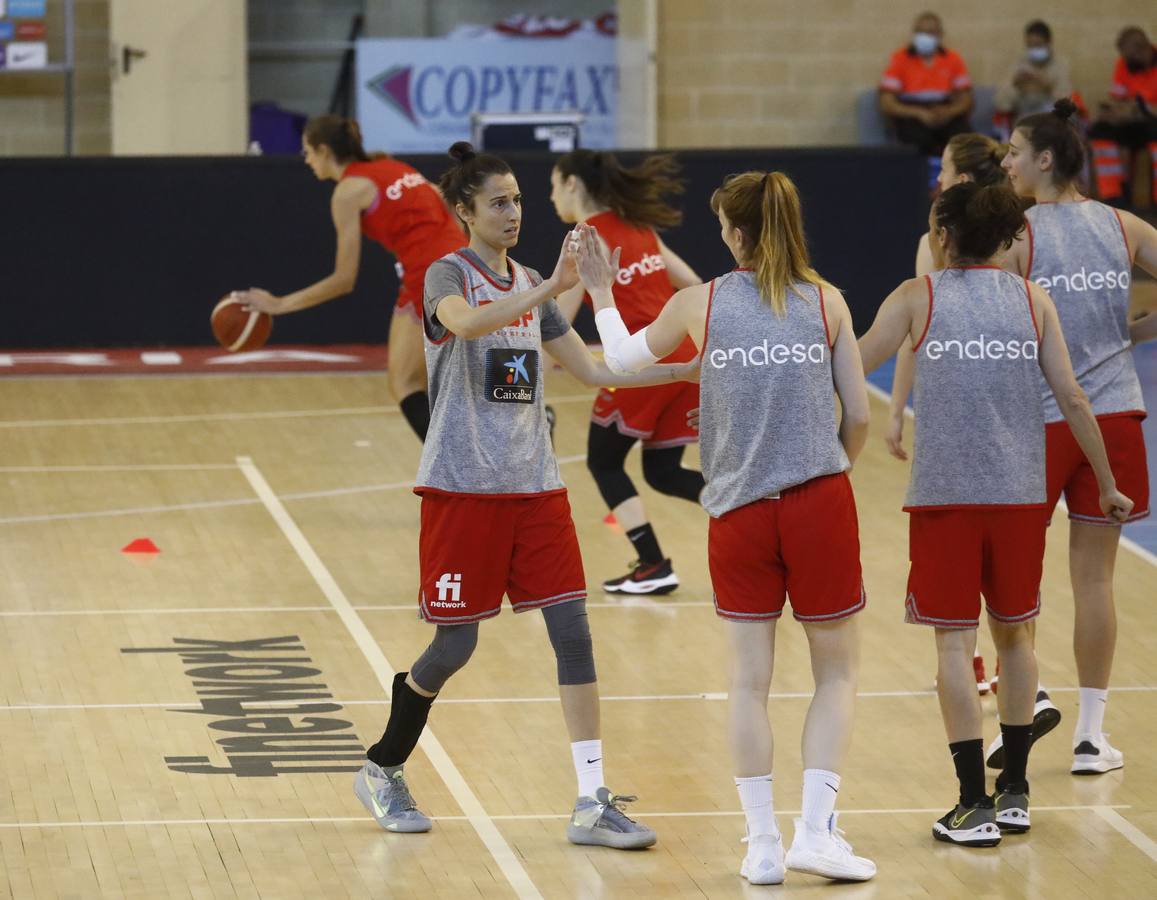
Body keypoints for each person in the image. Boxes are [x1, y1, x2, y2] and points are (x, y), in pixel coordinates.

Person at [353, 142, 696, 849]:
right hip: (462, 488)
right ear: (465, 212)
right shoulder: (446, 273)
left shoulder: (532, 281)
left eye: (517, 200)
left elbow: (594, 372)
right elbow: (467, 323)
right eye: (499, 202)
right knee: (454, 648)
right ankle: (383, 765)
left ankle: (591, 800)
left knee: (572, 632)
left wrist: (696, 365)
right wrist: (547, 288)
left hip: (535, 487)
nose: (513, 212)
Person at [588, 172, 875, 884]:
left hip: (738, 512)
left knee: (748, 683)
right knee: (834, 673)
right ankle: (816, 831)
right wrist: (833, 464)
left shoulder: (700, 304)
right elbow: (860, 413)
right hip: (818, 503)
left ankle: (762, 846)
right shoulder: (828, 302)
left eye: (722, 226)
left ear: (738, 234)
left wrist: (599, 292)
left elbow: (618, 364)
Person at [858, 181, 1132, 846]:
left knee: (954, 643)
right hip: (1017, 499)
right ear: (1008, 239)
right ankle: (1014, 792)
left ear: (943, 238)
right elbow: (1070, 395)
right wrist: (1106, 481)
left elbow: (851, 364)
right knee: (1016, 637)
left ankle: (970, 802)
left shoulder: (915, 297)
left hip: (946, 499)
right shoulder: (1031, 300)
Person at [999, 99, 1156, 774]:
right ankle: (1090, 735)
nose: (1003, 161)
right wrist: (1134, 333)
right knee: (1094, 581)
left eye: (1011, 151)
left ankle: (1027, 696)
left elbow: (994, 330)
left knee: (1011, 575)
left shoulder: (1015, 233)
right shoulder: (1122, 225)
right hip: (1113, 415)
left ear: (1044, 159)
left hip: (1033, 420)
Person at [895, 134, 1065, 731]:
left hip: (954, 471)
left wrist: (895, 409)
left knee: (958, 633)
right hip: (1016, 462)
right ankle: (1024, 698)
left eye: (941, 167)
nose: (936, 177)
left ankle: (986, 705)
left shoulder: (937, 258)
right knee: (1015, 622)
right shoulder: (1020, 265)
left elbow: (914, 332)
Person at [235, 115, 466, 442]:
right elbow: (444, 198)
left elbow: (344, 280)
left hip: (429, 276)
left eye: (308, 152)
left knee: (404, 383)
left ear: (325, 151)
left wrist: (279, 304)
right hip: (466, 261)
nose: (307, 161)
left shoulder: (347, 192)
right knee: (447, 378)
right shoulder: (392, 166)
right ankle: (483, 455)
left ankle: (455, 473)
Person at [548, 149, 704, 594]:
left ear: (573, 184)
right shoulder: (638, 224)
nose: (550, 195)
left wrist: (535, 370)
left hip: (641, 360)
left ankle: (653, 563)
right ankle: (754, 511)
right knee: (662, 471)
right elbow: (692, 284)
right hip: (685, 356)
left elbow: (558, 319)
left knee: (603, 460)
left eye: (553, 185)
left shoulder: (585, 239)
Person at [879, 11, 973, 156]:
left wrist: (949, 112)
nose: (923, 36)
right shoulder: (900, 59)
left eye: (929, 32)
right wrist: (919, 113)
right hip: (912, 114)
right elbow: (887, 103)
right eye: (919, 31)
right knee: (918, 139)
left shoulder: (953, 59)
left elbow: (966, 100)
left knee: (963, 139)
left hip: (945, 110)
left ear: (940, 34)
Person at [1089, 27, 1157, 207]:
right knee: (1100, 131)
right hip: (1131, 122)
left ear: (1144, 48)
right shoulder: (1124, 64)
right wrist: (1115, 112)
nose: (1126, 61)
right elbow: (1117, 98)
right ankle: (1115, 196)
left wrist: (1142, 108)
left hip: (1153, 121)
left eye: (1131, 56)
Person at [994, 21, 1074, 125]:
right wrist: (1015, 84)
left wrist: (1048, 85)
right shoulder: (1019, 65)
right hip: (1024, 123)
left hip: (1052, 124)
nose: (1034, 49)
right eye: (1030, 45)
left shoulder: (1059, 65)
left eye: (1038, 45)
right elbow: (1001, 104)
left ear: (1048, 43)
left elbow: (1066, 106)